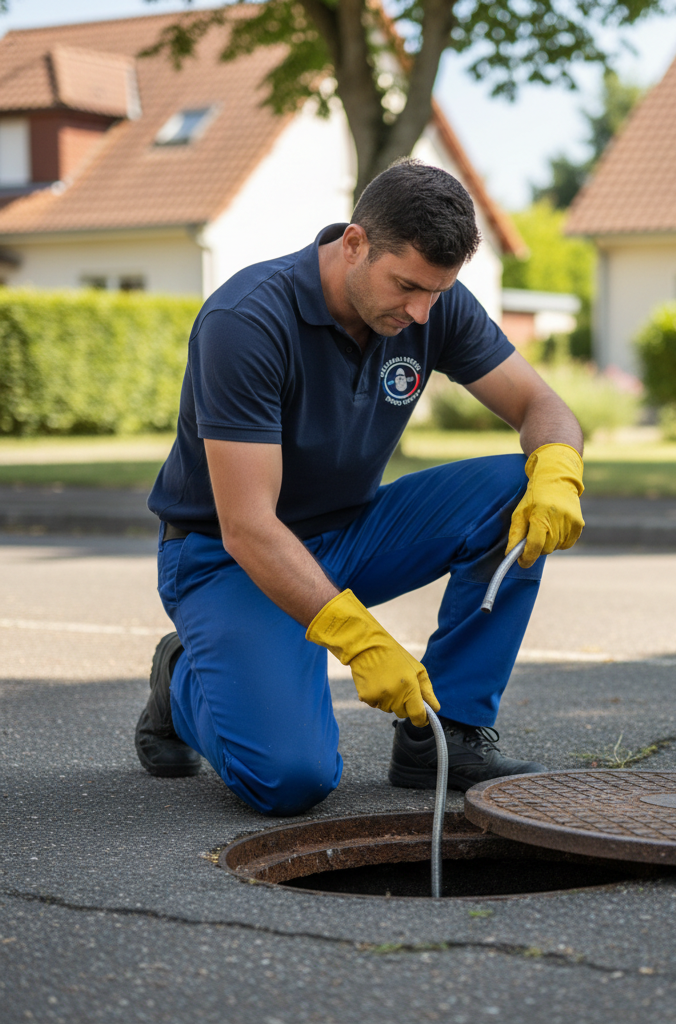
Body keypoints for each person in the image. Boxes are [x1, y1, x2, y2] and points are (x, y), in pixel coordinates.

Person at [137, 159, 585, 816]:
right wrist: (362, 639)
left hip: (350, 532)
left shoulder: (430, 305)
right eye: (406, 286)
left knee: (519, 485)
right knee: (291, 779)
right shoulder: (248, 321)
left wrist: (559, 468)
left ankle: (445, 734)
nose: (420, 310)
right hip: (228, 558)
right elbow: (248, 525)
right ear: (354, 243)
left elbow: (544, 407)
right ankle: (180, 679)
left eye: (437, 291)